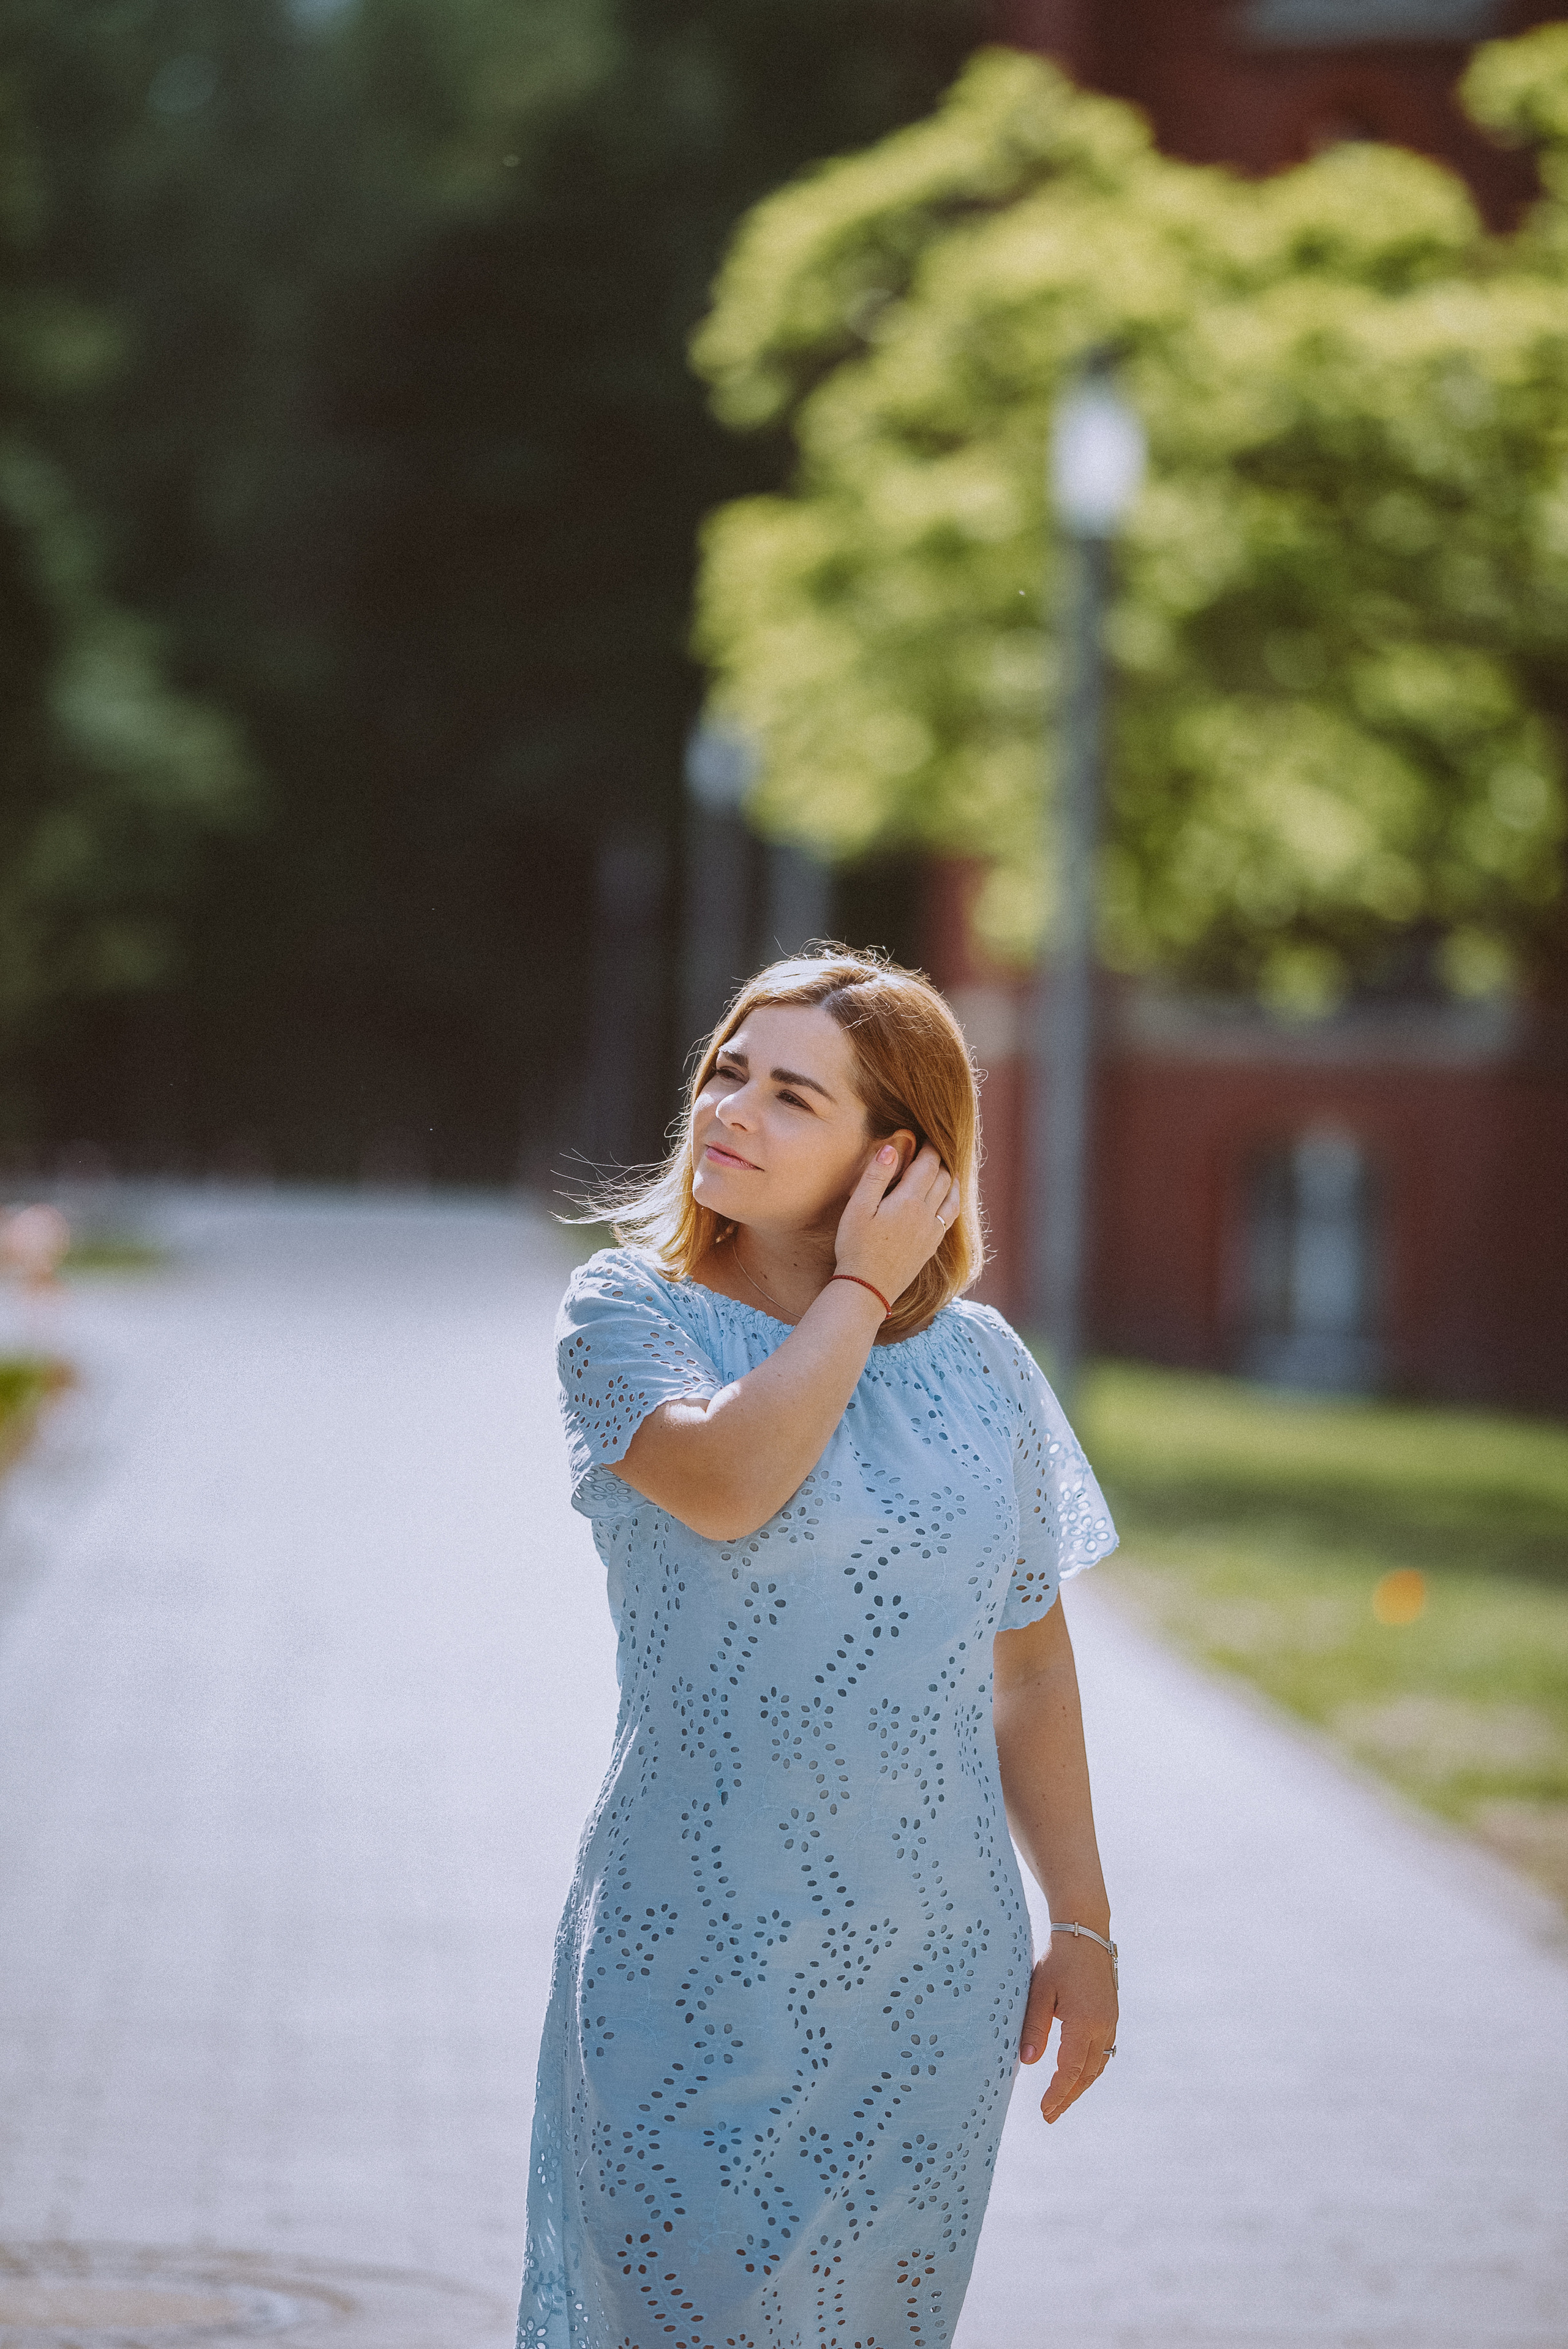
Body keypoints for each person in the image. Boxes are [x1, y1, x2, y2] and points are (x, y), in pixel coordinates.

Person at [519, 948, 1118, 2349]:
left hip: (931, 1980)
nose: (728, 1109)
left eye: (791, 1093)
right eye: (726, 1070)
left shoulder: (983, 1369)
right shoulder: (625, 1314)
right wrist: (857, 1290)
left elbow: (1026, 1663)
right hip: (691, 1957)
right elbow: (728, 1484)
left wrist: (1081, 1924)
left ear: (895, 1158)